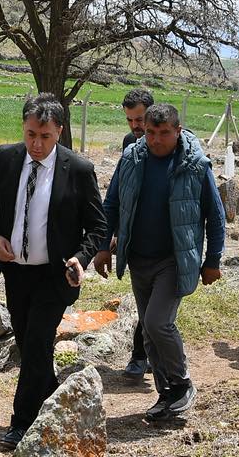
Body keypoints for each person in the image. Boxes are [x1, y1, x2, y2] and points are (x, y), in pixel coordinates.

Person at [0, 94, 107, 450]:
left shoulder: (77, 169)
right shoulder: (6, 158)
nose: (36, 144)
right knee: (29, 344)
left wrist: (81, 257)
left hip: (54, 275)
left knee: (36, 341)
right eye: (31, 134)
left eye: (45, 136)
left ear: (59, 131)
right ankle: (56, 398)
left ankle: (21, 422)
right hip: (16, 272)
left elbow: (98, 225)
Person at [92, 104, 224, 421]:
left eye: (164, 133)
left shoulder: (195, 165)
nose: (155, 139)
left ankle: (182, 383)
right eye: (151, 132)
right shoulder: (132, 159)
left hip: (175, 259)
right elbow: (111, 204)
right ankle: (167, 394)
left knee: (157, 323)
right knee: (149, 333)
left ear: (178, 131)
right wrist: (103, 247)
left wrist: (213, 260)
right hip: (139, 258)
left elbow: (216, 215)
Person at [117, 88, 154, 379]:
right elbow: (122, 190)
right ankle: (146, 354)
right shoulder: (129, 143)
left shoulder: (176, 139)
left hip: (169, 240)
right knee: (146, 304)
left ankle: (142, 355)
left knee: (157, 308)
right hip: (138, 239)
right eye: (130, 120)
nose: (135, 126)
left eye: (139, 119)